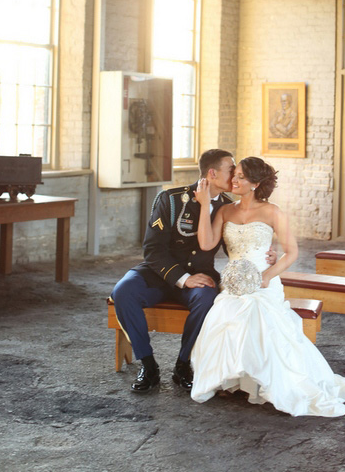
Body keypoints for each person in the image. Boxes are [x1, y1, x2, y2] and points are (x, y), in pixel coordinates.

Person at [191, 156, 345, 417]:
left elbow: (291, 252)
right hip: (234, 283)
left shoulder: (272, 212)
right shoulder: (224, 211)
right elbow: (206, 244)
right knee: (225, 318)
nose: (234, 179)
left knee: (258, 318)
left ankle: (262, 381)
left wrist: (267, 275)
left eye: (241, 176)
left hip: (264, 282)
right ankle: (235, 380)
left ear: (255, 183)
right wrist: (203, 206)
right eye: (235, 174)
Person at [110, 149, 276, 394]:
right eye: (231, 170)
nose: (235, 176)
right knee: (122, 292)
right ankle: (148, 364)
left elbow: (240, 245)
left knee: (208, 299)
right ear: (212, 173)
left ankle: (183, 365)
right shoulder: (172, 199)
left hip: (201, 274)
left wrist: (266, 255)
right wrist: (183, 279)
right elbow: (153, 249)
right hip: (159, 273)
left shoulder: (229, 207)